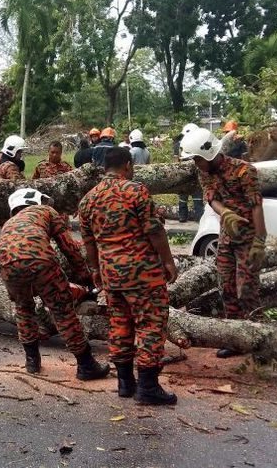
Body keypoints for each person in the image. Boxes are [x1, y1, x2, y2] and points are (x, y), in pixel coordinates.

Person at [79, 147, 179, 405]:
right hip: (142, 273)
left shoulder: (88, 200)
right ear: (126, 165)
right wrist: (168, 261)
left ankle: (125, 383)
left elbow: (89, 244)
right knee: (150, 325)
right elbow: (154, 230)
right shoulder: (136, 190)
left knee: (120, 324)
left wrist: (95, 271)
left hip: (111, 275)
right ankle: (147, 386)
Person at [0, 187, 110, 380]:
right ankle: (86, 365)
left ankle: (32, 361)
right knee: (62, 311)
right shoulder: (46, 211)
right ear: (37, 200)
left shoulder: (9, 223)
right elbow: (69, 247)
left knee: (23, 307)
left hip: (3, 261)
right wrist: (86, 277)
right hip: (39, 258)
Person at [181, 128, 267, 357]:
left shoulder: (245, 171)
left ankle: (261, 343)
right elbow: (211, 197)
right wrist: (225, 213)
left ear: (208, 154)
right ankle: (235, 339)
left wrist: (260, 239)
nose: (196, 163)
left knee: (247, 290)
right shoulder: (204, 172)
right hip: (227, 237)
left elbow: (256, 205)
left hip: (248, 238)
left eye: (197, 159)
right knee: (226, 288)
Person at [173, 124, 204, 222]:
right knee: (197, 198)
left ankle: (183, 217)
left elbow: (176, 161)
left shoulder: (178, 145)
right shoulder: (200, 144)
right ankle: (199, 218)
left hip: (183, 174)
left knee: (183, 197)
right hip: (196, 174)